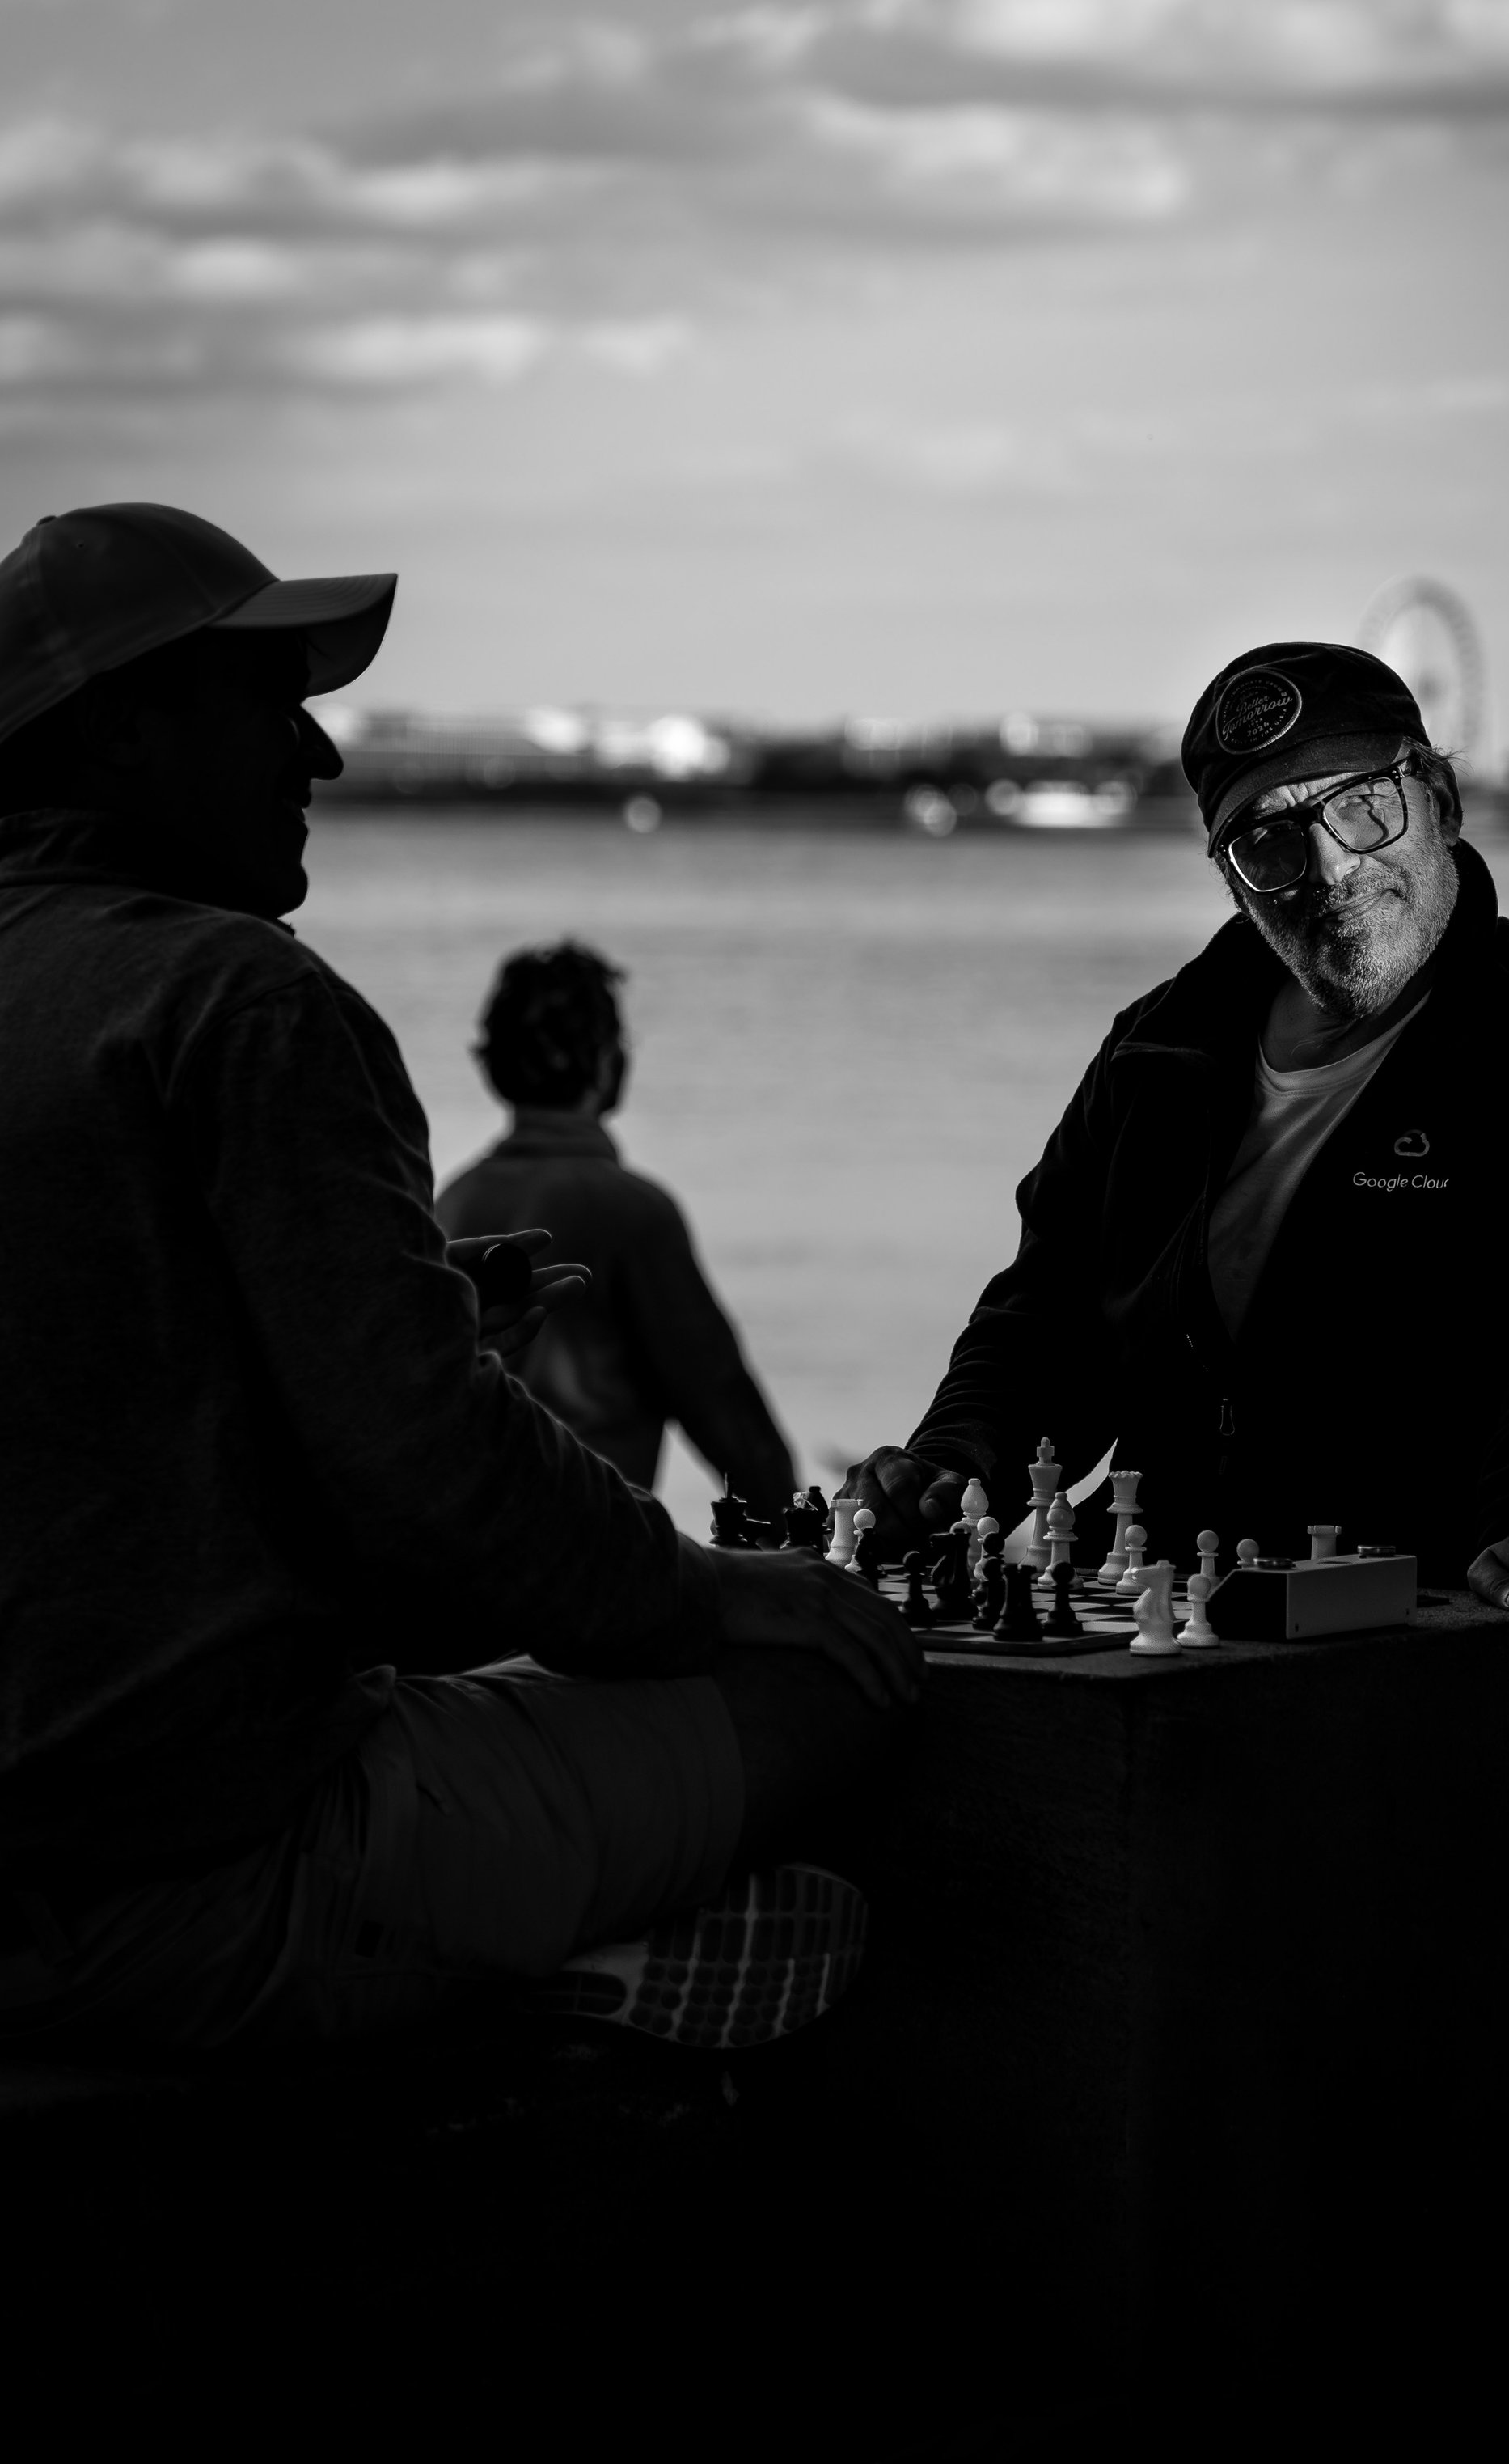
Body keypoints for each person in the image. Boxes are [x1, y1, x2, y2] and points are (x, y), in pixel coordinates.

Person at [0, 502, 919, 2053]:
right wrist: (702, 1583)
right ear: (122, 730)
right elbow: (431, 1489)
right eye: (271, 703)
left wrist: (416, 1331)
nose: (323, 757)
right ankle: (539, 2007)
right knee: (847, 1691)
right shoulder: (240, 1003)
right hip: (208, 1867)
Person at [846, 641, 1509, 1727]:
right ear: (1230, 872)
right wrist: (948, 1465)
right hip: (1158, 1633)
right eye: (1268, 840)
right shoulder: (1155, 1051)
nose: (1332, 867)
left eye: (1361, 808)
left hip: (1425, 1631)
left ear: (1438, 796)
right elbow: (1042, 1321)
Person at [437, 941, 794, 1512]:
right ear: (608, 1061)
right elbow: (728, 1419)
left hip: (464, 1547)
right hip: (593, 1553)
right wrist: (810, 1546)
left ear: (493, 1065)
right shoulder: (632, 1210)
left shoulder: (451, 1202)